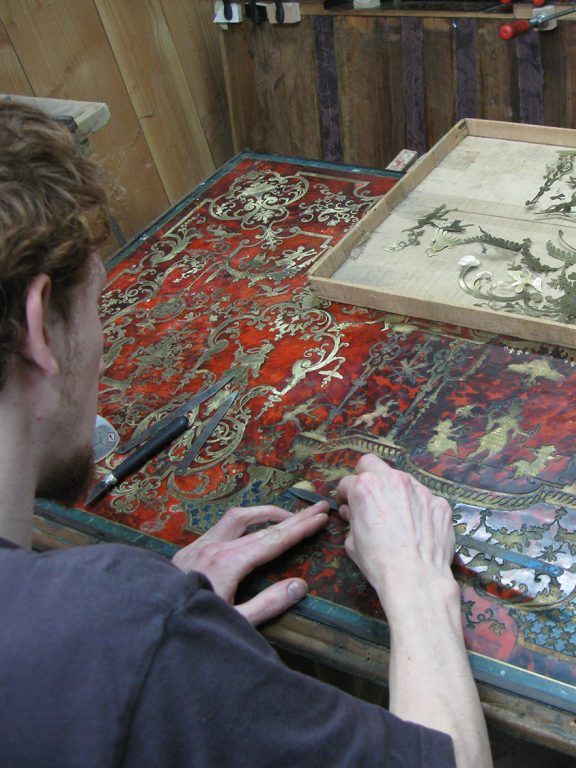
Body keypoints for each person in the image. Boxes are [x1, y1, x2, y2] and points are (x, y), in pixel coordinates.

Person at [0, 101, 491, 767]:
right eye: (95, 308)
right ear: (38, 326)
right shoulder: (112, 628)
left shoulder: (97, 628)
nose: (101, 341)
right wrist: (416, 579)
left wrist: (147, 637)